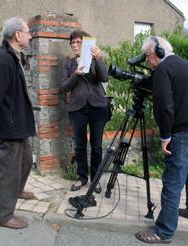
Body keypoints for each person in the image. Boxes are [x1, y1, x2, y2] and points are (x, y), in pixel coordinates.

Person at [135, 36, 188, 244]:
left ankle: (164, 231)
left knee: (172, 180)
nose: (148, 61)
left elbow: (164, 107)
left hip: (185, 132)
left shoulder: (162, 70)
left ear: (158, 52)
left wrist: (165, 136)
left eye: (149, 56)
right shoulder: (184, 63)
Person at [0, 17, 36, 229]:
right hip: (9, 125)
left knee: (26, 161)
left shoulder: (14, 56)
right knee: (8, 169)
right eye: (28, 32)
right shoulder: (3, 59)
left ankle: (17, 190)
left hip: (18, 123)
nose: (30, 36)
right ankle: (3, 215)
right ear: (18, 35)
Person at [59, 30, 109, 194]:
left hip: (97, 107)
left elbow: (104, 78)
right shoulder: (69, 64)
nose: (74, 45)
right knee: (80, 146)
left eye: (78, 42)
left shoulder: (96, 59)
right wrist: (75, 74)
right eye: (72, 43)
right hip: (77, 108)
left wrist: (99, 58)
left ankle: (95, 179)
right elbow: (64, 87)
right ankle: (82, 177)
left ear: (86, 43)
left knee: (96, 146)